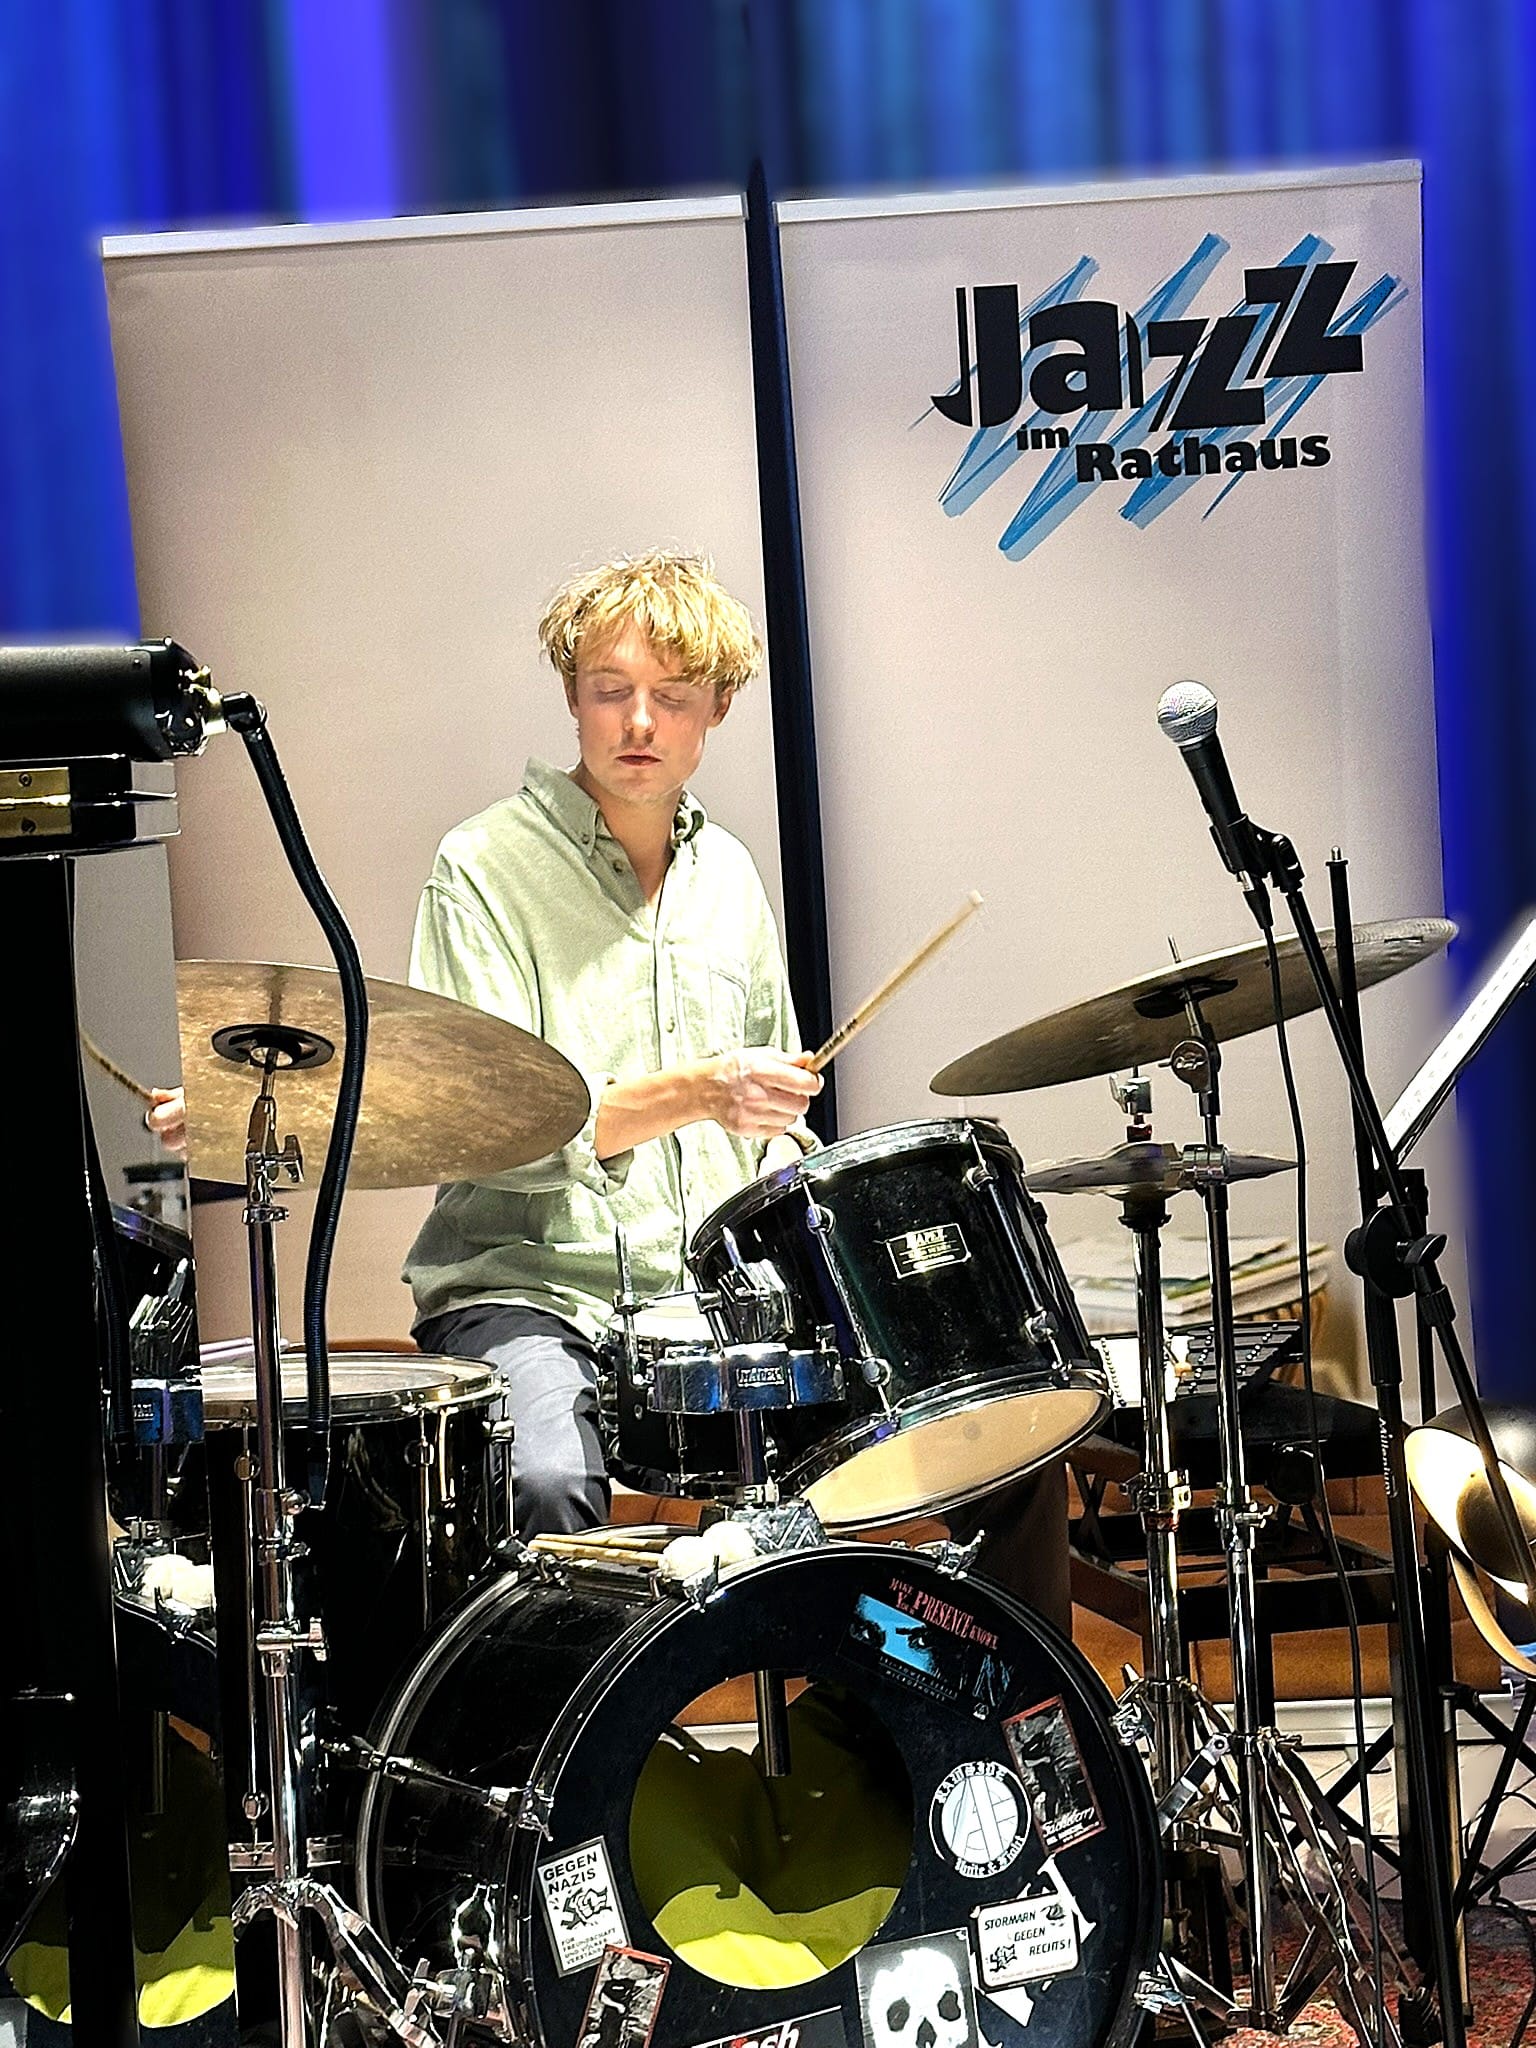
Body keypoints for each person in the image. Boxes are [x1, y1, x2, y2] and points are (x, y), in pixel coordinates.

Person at [403, 551, 820, 1537]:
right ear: (572, 698)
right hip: (530, 1289)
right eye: (610, 691)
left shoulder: (730, 876)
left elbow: (777, 1113)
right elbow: (489, 1130)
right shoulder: (482, 867)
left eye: (671, 697)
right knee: (547, 1479)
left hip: (708, 1299)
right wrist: (699, 1092)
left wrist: (779, 1151)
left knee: (942, 1412)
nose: (639, 723)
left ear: (716, 708)